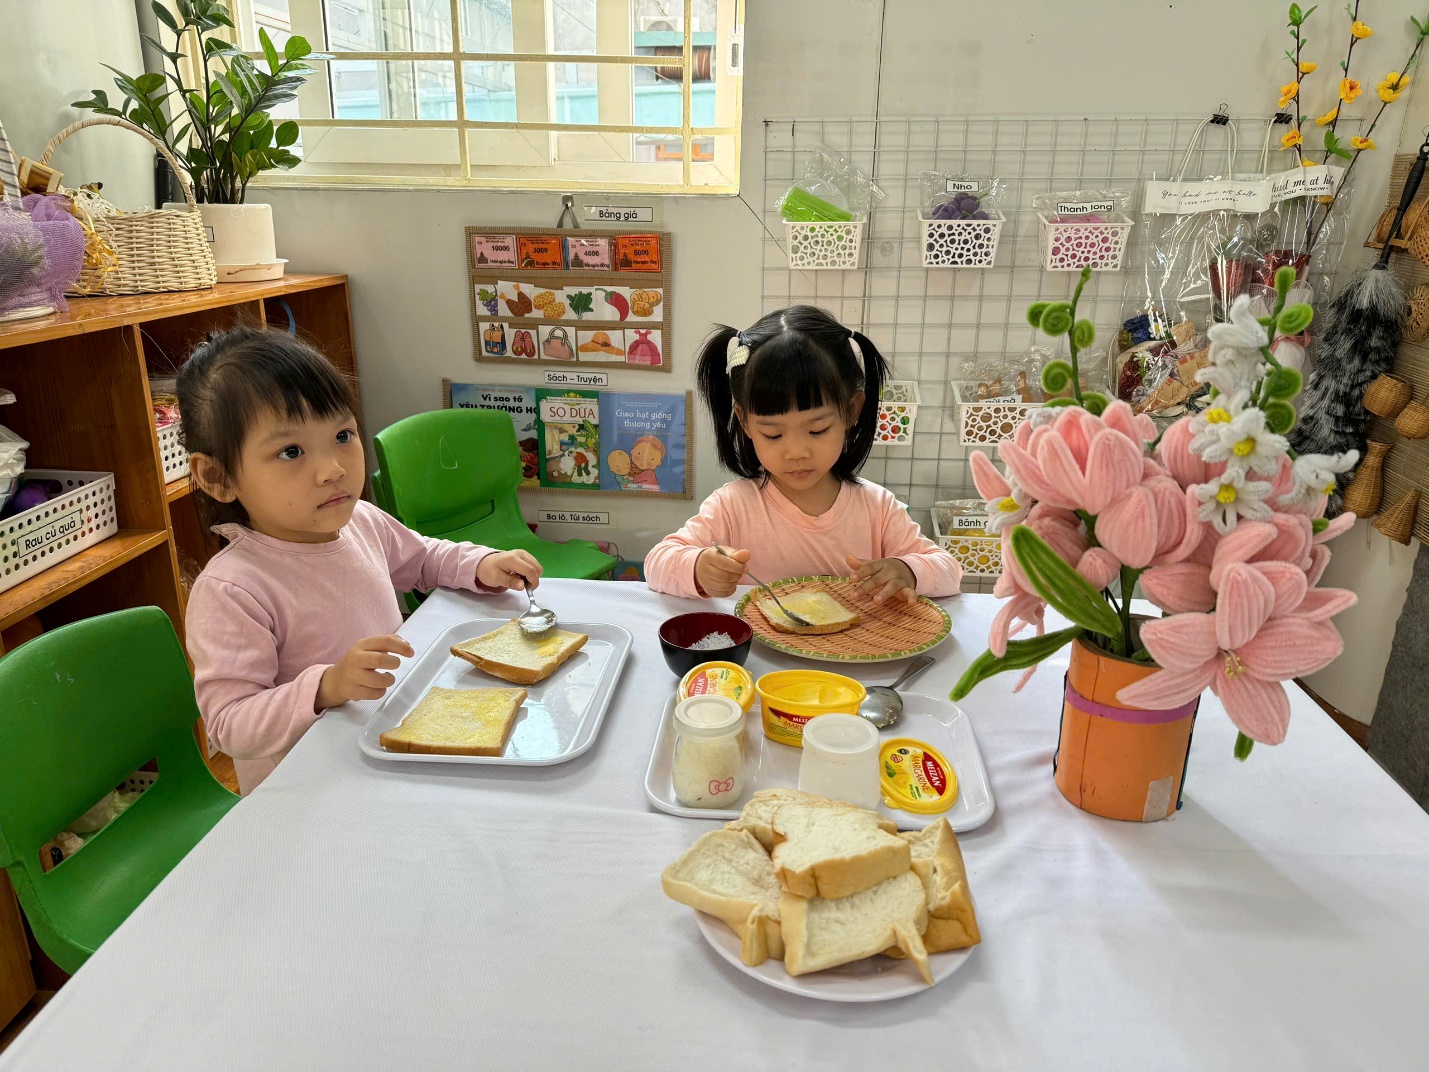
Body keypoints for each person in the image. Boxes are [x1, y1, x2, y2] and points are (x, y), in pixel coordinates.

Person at [179, 327, 541, 793]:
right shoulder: (233, 589)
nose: (333, 469)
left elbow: (423, 558)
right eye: (291, 451)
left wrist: (479, 563)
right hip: (309, 792)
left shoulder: (361, 520)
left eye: (342, 435)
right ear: (217, 476)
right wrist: (326, 686)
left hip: (385, 749)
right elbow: (230, 725)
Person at [644, 306, 962, 602]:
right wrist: (698, 567)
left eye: (817, 429)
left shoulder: (877, 508)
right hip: (758, 647)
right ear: (745, 422)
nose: (796, 452)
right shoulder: (732, 506)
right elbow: (658, 563)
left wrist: (908, 571)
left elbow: (948, 571)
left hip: (855, 644)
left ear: (852, 411)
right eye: (773, 434)